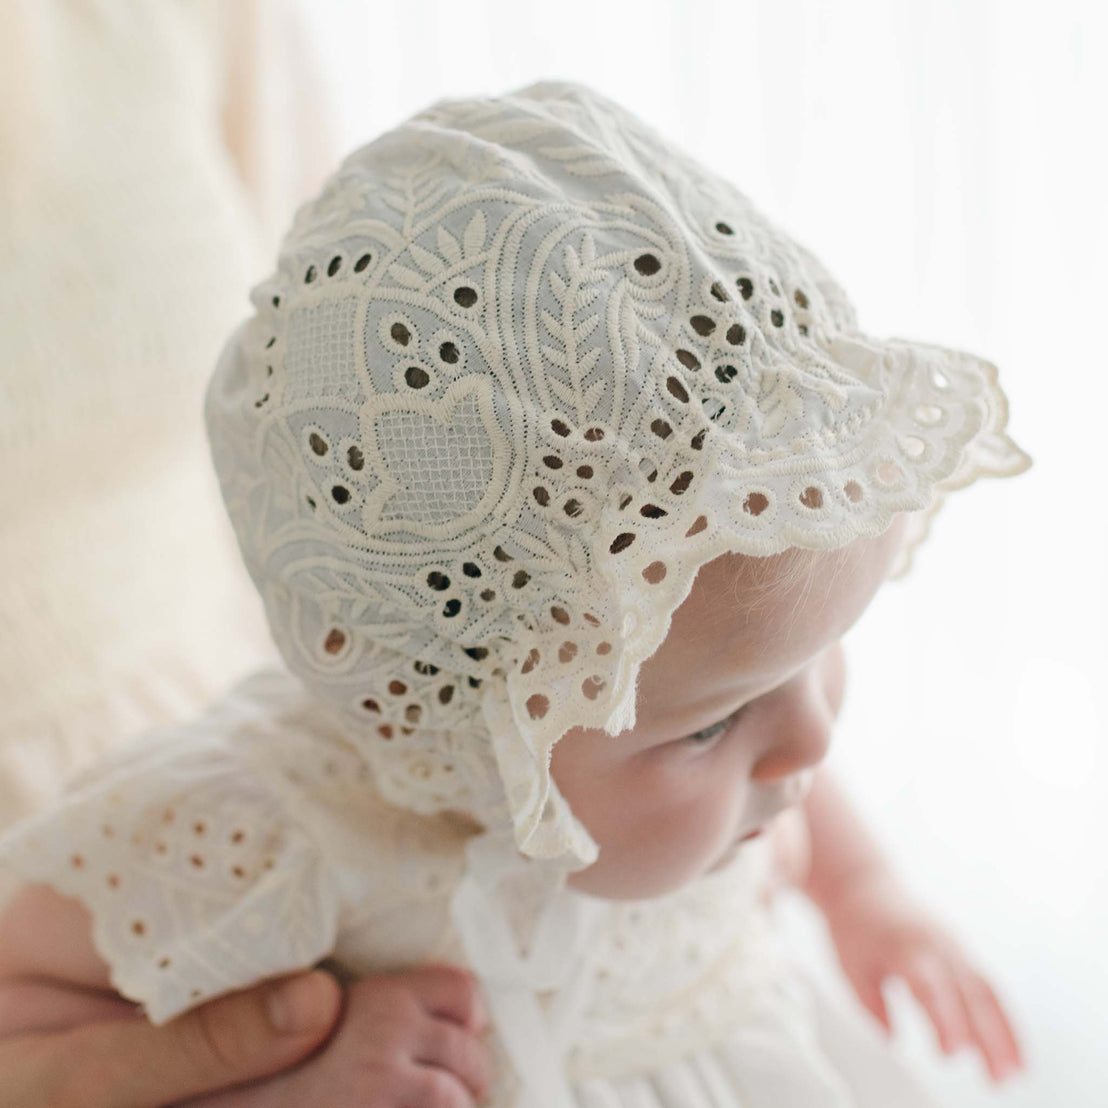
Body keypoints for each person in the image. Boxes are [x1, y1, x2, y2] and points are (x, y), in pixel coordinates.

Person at [0, 80, 1030, 1107]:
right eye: (714, 727)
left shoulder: (698, 716)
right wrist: (290, 1084)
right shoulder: (280, 832)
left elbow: (733, 689)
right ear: (480, 725)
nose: (811, 746)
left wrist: (860, 890)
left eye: (817, 658)